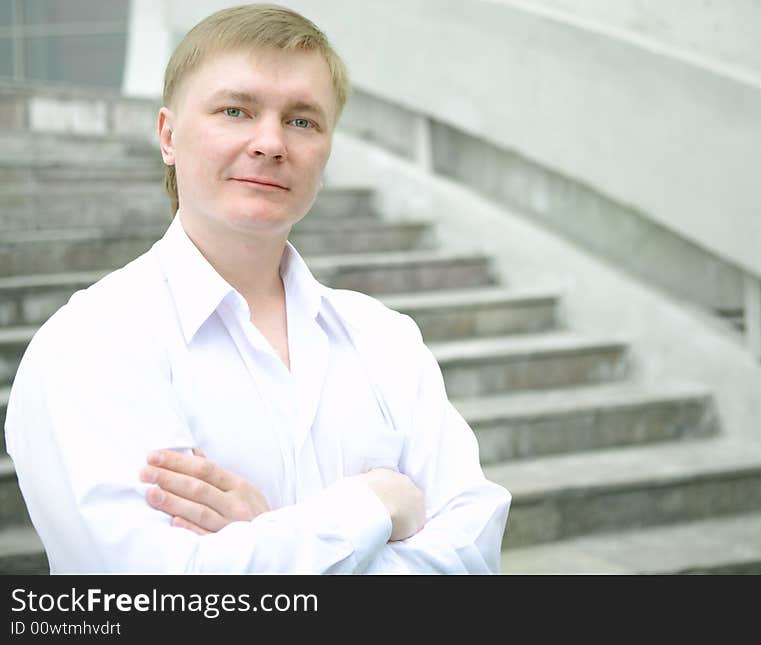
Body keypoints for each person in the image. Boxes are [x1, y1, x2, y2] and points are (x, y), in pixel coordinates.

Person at [4, 3, 511, 574]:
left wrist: (271, 534)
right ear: (168, 135)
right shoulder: (91, 345)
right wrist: (375, 506)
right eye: (236, 110)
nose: (270, 143)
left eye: (302, 120)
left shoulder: (387, 340)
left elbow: (472, 558)